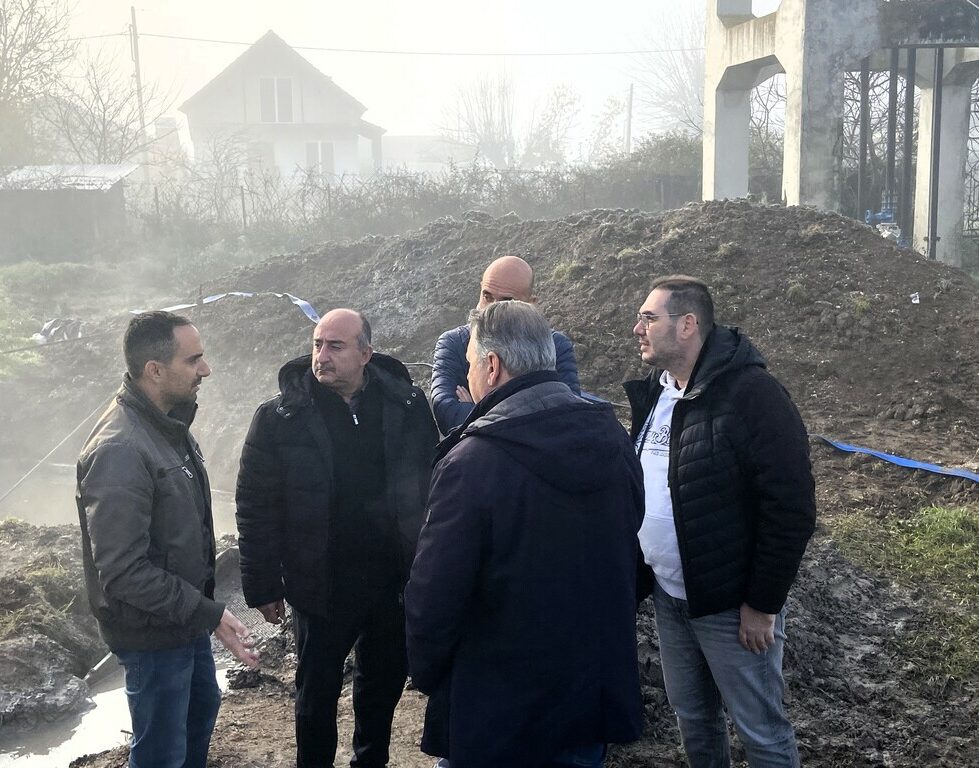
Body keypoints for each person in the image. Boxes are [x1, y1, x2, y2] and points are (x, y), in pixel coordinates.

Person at [405, 300, 645, 768]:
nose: (469, 373)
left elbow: (435, 592)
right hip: (589, 694)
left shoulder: (472, 461)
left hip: (496, 705)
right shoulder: (615, 440)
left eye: (471, 362)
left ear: (492, 366)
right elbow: (630, 553)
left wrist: (428, 673)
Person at [624, 275, 816, 768]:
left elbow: (790, 506)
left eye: (649, 318)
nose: (637, 328)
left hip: (731, 607)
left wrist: (762, 604)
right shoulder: (657, 393)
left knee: (761, 731)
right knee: (694, 718)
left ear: (687, 324)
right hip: (670, 594)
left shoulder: (753, 395)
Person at [235, 308, 439, 768]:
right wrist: (263, 586)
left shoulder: (407, 405)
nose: (321, 356)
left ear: (366, 353)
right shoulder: (280, 417)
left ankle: (371, 761)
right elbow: (255, 507)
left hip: (391, 579)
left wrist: (427, 566)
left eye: (335, 346)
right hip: (320, 583)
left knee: (382, 684)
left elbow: (433, 485)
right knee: (316, 692)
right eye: (317, 344)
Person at [76, 311, 259, 768]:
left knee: (199, 714)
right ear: (154, 370)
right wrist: (210, 613)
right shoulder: (120, 449)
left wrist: (202, 615)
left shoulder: (167, 427)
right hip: (152, 635)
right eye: (193, 360)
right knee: (162, 753)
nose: (205, 369)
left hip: (183, 622)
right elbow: (122, 572)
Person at [431, 254, 580, 434]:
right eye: (487, 297)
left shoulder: (556, 345)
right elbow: (448, 414)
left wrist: (477, 408)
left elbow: (568, 414)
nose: (491, 309)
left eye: (506, 301)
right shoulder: (454, 343)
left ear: (531, 304)